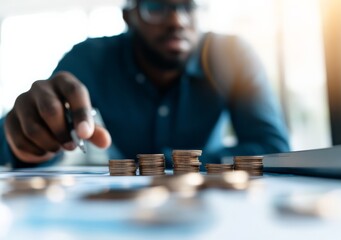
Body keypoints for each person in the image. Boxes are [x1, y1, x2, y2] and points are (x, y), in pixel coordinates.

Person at [0, 0, 289, 168]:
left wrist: (169, 162)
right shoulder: (91, 58)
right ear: (129, 16)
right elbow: (40, 129)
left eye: (188, 5)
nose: (177, 20)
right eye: (156, 6)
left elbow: (272, 147)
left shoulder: (234, 55)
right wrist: (28, 145)